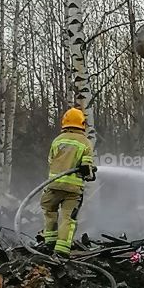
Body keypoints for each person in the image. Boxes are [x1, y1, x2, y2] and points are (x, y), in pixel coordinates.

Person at [40, 107, 96, 257]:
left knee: (50, 211)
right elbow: (85, 168)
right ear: (82, 123)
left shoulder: (57, 140)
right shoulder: (85, 142)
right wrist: (90, 173)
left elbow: (50, 161)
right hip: (73, 189)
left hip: (53, 185)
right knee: (67, 218)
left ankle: (49, 243)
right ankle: (62, 251)